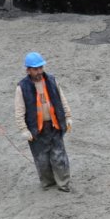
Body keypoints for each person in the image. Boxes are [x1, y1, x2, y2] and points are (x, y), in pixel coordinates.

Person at [14, 52, 73, 192]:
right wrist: (24, 130)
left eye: (41, 68)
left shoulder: (52, 81)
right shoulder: (22, 87)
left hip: (54, 125)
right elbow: (19, 110)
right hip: (36, 130)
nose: (39, 71)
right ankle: (48, 182)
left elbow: (62, 99)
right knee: (42, 160)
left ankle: (63, 183)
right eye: (35, 69)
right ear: (28, 70)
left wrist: (68, 116)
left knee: (59, 156)